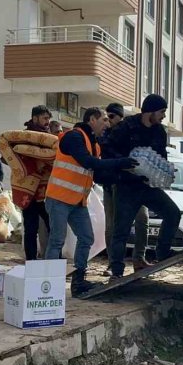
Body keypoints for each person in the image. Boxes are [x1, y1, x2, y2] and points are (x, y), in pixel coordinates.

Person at [44, 108, 137, 296]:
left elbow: (99, 171)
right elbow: (88, 162)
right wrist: (121, 163)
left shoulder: (95, 144)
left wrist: (126, 173)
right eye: (104, 119)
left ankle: (78, 280)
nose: (107, 124)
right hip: (59, 198)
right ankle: (48, 284)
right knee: (57, 240)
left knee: (86, 237)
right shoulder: (74, 137)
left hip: (78, 201)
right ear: (92, 120)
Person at [106, 94, 183, 279]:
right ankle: (116, 272)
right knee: (121, 231)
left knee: (172, 213)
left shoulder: (160, 132)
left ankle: (162, 254)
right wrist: (124, 162)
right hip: (126, 186)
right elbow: (108, 149)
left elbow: (162, 158)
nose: (164, 116)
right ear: (150, 111)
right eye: (162, 112)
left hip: (149, 186)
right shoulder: (126, 126)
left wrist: (161, 174)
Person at [100, 103, 151, 274]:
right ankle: (113, 263)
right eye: (106, 118)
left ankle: (139, 258)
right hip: (111, 187)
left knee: (142, 219)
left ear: (121, 118)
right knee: (112, 227)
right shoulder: (105, 136)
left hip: (134, 186)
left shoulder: (131, 134)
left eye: (112, 117)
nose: (109, 121)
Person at [22, 105, 53, 260]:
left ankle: (54, 261)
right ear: (35, 118)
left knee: (54, 227)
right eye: (44, 118)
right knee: (30, 229)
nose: (47, 122)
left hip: (47, 191)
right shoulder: (24, 137)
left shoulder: (50, 138)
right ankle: (31, 262)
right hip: (29, 192)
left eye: (48, 119)